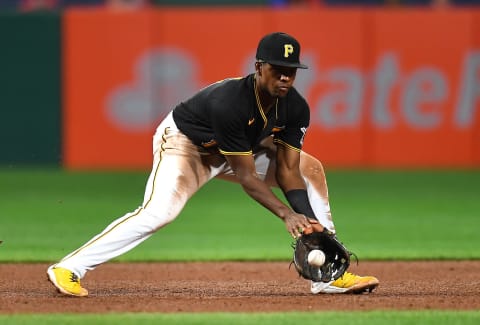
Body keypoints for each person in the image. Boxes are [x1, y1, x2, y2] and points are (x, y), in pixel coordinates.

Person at [47, 32, 379, 297]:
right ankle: (70, 267)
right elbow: (248, 178)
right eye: (278, 69)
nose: (285, 78)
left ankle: (327, 272)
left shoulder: (295, 108)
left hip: (240, 151)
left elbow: (289, 170)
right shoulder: (230, 103)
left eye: (291, 71)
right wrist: (285, 214)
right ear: (259, 66)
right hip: (188, 147)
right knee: (158, 213)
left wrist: (307, 221)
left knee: (312, 169)